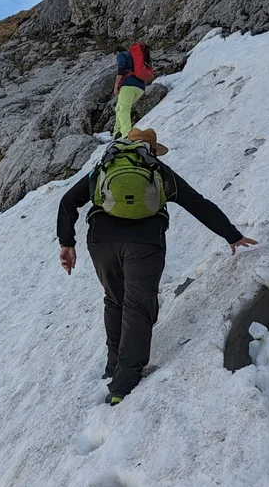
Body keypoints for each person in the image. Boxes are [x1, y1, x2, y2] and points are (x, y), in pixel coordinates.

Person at [56, 127, 257, 405]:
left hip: (101, 241)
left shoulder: (104, 166)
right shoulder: (159, 171)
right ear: (152, 150)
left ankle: (113, 366)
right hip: (145, 242)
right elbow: (197, 203)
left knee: (114, 300)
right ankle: (122, 387)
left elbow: (68, 201)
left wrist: (67, 243)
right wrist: (232, 235)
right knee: (138, 306)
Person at [113, 44, 151, 139]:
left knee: (123, 109)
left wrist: (116, 84)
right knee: (119, 107)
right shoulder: (133, 57)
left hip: (129, 86)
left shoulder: (121, 54)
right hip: (140, 87)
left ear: (117, 52)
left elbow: (121, 66)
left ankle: (126, 134)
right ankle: (117, 132)